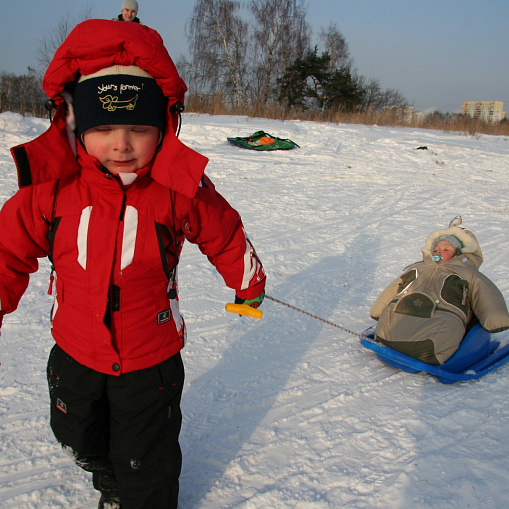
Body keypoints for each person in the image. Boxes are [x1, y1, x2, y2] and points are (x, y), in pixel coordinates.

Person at [1, 20, 265, 509]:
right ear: (76, 127)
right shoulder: (51, 192)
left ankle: (137, 497)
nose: (121, 144)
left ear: (162, 128)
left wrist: (247, 284)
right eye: (103, 128)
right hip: (75, 348)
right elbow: (7, 251)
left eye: (138, 129)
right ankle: (108, 475)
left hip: (150, 356)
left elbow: (224, 232)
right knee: (76, 433)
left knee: (147, 455)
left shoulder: (176, 191)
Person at [370, 217, 509, 365]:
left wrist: (497, 320)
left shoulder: (467, 272)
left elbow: (487, 295)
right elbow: (393, 288)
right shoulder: (418, 268)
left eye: (446, 249)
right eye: (436, 249)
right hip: (387, 333)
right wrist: (378, 311)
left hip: (432, 343)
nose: (439, 252)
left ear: (459, 253)